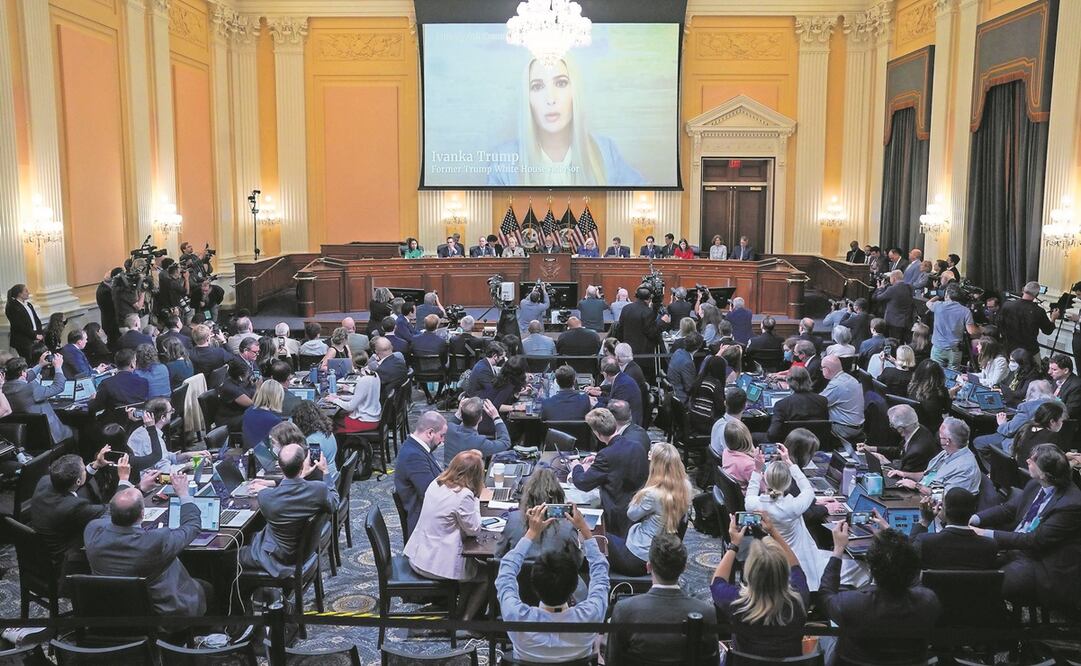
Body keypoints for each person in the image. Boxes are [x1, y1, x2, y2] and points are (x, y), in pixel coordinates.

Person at [486, 55, 644, 186]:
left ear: (575, 92)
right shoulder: (503, 159)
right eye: (537, 86)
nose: (550, 99)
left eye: (561, 83)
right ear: (527, 99)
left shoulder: (605, 150)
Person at [84, 472, 211, 616]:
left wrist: (140, 488)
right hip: (157, 614)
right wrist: (184, 494)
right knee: (206, 587)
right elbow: (192, 526)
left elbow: (108, 513)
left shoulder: (92, 530)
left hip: (110, 611)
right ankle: (211, 633)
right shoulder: (156, 540)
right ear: (142, 514)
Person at [496, 503, 610, 663]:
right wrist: (584, 529)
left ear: (534, 586)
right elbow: (601, 574)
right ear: (575, 586)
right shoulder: (589, 616)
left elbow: (505, 572)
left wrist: (531, 533)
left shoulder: (517, 616)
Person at [970, 444, 1081, 606]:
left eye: (1033, 460)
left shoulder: (1071, 504)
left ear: (1044, 474)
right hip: (1017, 549)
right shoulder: (1035, 485)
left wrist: (984, 533)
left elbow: (1034, 540)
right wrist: (975, 519)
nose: (1027, 460)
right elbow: (1008, 510)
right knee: (969, 564)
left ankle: (1003, 624)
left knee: (990, 583)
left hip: (1041, 562)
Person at [747, 449, 869, 591]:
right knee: (863, 569)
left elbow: (750, 491)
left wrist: (756, 469)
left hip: (773, 558)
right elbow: (807, 489)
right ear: (788, 483)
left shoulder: (754, 505)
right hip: (801, 560)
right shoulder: (794, 505)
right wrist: (790, 463)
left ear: (765, 479)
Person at [821, 524, 941, 665]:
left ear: (871, 568)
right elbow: (911, 571)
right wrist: (896, 543)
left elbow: (825, 594)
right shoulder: (928, 602)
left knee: (826, 637)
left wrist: (838, 549)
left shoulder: (849, 604)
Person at [32, 450, 155, 580]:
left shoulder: (45, 481)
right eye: (83, 468)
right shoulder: (73, 507)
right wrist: (127, 482)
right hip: (65, 562)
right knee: (113, 532)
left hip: (42, 551)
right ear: (78, 481)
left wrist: (95, 465)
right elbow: (113, 511)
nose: (86, 468)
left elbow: (71, 482)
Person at [610, 533, 720, 666]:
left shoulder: (624, 610)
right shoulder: (707, 612)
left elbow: (612, 661)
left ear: (648, 567)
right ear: (684, 568)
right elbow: (713, 662)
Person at [403, 449, 487, 622]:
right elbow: (474, 529)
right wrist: (477, 500)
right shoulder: (464, 496)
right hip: (435, 565)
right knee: (486, 575)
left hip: (419, 555)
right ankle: (465, 622)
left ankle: (460, 611)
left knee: (474, 566)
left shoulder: (437, 482)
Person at [710, 515, 808, 662]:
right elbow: (795, 567)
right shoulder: (799, 598)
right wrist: (774, 532)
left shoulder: (737, 602)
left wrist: (734, 545)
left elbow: (717, 582)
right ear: (783, 570)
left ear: (750, 571)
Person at [241, 443, 338, 581]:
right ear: (302, 465)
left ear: (280, 467)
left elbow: (286, 494)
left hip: (276, 558)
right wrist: (325, 472)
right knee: (252, 536)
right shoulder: (318, 490)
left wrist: (264, 488)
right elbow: (334, 503)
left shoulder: (266, 497)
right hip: (304, 550)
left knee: (225, 558)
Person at [607, 442, 691, 576]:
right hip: (661, 554)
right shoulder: (686, 486)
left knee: (598, 538)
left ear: (655, 465)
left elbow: (631, 514)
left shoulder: (652, 494)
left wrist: (642, 492)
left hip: (637, 557)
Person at [570, 408, 649, 537]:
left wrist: (576, 466)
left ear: (597, 433)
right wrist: (597, 459)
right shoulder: (637, 446)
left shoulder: (606, 455)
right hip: (637, 505)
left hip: (616, 513)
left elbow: (582, 482)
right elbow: (622, 461)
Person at [888, 417, 981, 495]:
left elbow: (945, 497)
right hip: (923, 494)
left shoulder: (965, 468)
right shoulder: (947, 452)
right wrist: (905, 474)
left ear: (948, 441)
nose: (938, 438)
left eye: (940, 436)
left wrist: (916, 486)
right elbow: (928, 475)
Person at [911, 488, 999, 570]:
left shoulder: (925, 542)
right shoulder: (990, 546)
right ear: (974, 511)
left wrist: (925, 521)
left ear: (944, 511)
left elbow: (907, 556)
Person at [393, 411, 447, 536]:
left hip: (429, 514)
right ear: (430, 433)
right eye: (442, 436)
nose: (443, 441)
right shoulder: (413, 456)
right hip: (425, 526)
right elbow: (430, 493)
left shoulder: (418, 448)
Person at [126, 398, 209, 476]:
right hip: (152, 485)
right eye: (171, 411)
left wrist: (188, 455)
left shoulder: (145, 431)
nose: (173, 412)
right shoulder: (149, 438)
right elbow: (166, 473)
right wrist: (192, 464)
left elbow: (164, 457)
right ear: (163, 417)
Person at [3, 354, 71, 444]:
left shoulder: (3, 389)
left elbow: (25, 377)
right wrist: (58, 367)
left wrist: (41, 364)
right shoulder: (31, 388)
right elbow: (58, 387)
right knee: (72, 430)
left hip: (27, 437)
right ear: (23, 372)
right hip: (52, 436)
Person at [860, 404, 939, 473]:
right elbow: (899, 451)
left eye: (892, 424)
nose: (890, 426)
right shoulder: (916, 428)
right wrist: (872, 449)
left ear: (900, 429)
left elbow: (903, 475)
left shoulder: (917, 451)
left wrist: (885, 462)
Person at [765, 366, 828, 442]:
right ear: (809, 380)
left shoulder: (782, 404)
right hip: (816, 444)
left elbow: (772, 434)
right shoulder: (822, 401)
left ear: (788, 381)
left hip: (789, 446)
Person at [323, 352, 381, 434]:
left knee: (329, 422)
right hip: (372, 418)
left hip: (365, 421)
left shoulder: (364, 380)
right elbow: (361, 397)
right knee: (339, 416)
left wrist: (334, 400)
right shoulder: (375, 375)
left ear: (353, 365)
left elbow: (350, 407)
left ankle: (338, 445)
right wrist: (341, 398)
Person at [927, 283, 981, 368]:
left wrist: (939, 295)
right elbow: (971, 331)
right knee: (953, 375)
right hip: (954, 350)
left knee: (935, 373)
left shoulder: (938, 306)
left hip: (938, 348)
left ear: (947, 295)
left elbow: (928, 303)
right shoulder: (965, 311)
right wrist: (981, 330)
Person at [443, 397, 511, 464]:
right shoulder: (479, 442)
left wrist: (459, 413)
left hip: (448, 474)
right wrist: (496, 416)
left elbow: (452, 422)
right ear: (480, 418)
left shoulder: (449, 429)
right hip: (469, 475)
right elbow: (506, 442)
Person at [998, 281, 1056, 356]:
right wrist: (1053, 318)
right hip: (1030, 351)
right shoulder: (1038, 311)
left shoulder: (1007, 305)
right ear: (1037, 294)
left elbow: (999, 325)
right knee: (1035, 367)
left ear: (1023, 290)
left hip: (1009, 349)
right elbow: (1047, 331)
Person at [474, 355, 529, 435]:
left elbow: (502, 396)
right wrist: (516, 407)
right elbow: (497, 405)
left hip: (482, 419)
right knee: (524, 425)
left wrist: (520, 393)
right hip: (490, 424)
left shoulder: (502, 379)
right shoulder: (508, 385)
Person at [88, 349, 150, 415]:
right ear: (132, 364)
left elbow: (95, 407)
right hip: (136, 421)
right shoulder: (143, 382)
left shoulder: (106, 383)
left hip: (112, 421)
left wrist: (91, 400)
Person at [819, 355, 864, 441]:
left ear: (827, 369)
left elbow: (818, 403)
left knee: (811, 425)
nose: (821, 370)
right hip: (857, 427)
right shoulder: (851, 378)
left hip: (843, 429)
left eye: (822, 368)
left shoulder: (836, 385)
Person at [588, 360, 643, 427]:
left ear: (605, 374)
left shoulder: (623, 385)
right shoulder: (621, 378)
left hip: (628, 423)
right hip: (625, 417)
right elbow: (612, 399)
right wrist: (596, 399)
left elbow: (614, 411)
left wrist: (595, 404)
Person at [616, 286, 669, 355]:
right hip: (643, 354)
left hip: (627, 351)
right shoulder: (648, 312)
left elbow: (620, 329)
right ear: (649, 299)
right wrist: (662, 322)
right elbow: (652, 333)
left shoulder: (626, 308)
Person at [241, 380, 285, 450]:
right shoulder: (275, 421)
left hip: (249, 455)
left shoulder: (248, 411)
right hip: (265, 458)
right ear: (277, 398)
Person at [873, 269, 914, 341]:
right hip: (906, 321)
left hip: (893, 323)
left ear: (894, 278)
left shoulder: (892, 289)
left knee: (893, 343)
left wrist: (880, 288)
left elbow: (878, 298)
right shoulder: (909, 287)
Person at [215, 359, 256, 431]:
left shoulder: (233, 380)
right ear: (240, 377)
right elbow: (252, 404)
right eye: (247, 373)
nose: (248, 374)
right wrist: (258, 389)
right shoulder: (231, 389)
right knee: (258, 416)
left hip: (237, 413)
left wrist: (251, 385)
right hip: (229, 420)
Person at [6, 283, 43, 361]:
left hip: (35, 335)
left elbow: (36, 320)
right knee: (30, 360)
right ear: (19, 294)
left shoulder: (28, 304)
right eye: (26, 291)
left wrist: (39, 333)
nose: (28, 293)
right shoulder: (13, 307)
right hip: (23, 339)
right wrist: (34, 335)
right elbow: (19, 326)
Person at [721, 420, 756, 489]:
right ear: (747, 438)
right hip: (747, 496)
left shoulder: (726, 452)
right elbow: (764, 487)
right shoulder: (748, 465)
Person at [667, 332, 699, 403]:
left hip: (673, 393)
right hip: (681, 398)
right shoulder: (688, 363)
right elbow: (689, 388)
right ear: (698, 348)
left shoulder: (678, 352)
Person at [1048, 353, 1081, 421]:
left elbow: (1069, 412)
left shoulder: (1076, 386)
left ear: (1066, 370)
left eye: (1054, 369)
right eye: (1050, 368)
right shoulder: (1056, 378)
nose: (1049, 372)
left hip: (1060, 421)